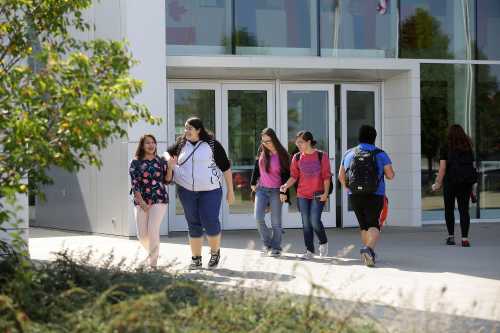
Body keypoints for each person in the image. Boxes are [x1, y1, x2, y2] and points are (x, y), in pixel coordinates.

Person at [166, 117, 234, 269]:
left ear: (198, 130)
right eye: (185, 128)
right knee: (193, 224)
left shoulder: (212, 145)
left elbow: (226, 168)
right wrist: (171, 165)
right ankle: (196, 258)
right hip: (186, 191)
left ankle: (215, 252)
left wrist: (231, 190)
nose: (186, 131)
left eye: (190, 128)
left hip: (210, 191)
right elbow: (166, 155)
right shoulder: (181, 144)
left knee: (210, 221)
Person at [338, 125, 394, 267]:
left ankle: (368, 254)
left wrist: (348, 188)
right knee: (374, 224)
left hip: (355, 194)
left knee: (363, 226)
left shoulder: (349, 153)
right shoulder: (380, 154)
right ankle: (368, 249)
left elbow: (341, 176)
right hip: (375, 194)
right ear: (374, 138)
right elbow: (390, 175)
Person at [280, 131, 331, 259]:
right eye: (297, 142)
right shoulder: (296, 157)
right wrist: (286, 185)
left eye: (300, 142)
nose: (298, 145)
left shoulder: (321, 156)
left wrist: (325, 193)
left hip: (318, 193)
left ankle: (323, 242)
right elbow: (294, 176)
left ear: (308, 142)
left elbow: (326, 176)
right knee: (306, 223)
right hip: (302, 194)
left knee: (314, 221)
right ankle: (309, 251)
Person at [129, 134, 172, 268]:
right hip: (141, 200)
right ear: (142, 145)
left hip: (159, 198)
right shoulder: (135, 162)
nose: (151, 145)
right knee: (142, 235)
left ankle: (153, 265)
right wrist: (141, 202)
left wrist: (170, 166)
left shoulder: (161, 161)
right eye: (148, 143)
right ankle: (152, 253)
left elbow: (167, 180)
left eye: (153, 142)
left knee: (153, 230)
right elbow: (134, 184)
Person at [432, 124, 477, 247]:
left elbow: (442, 168)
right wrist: (472, 186)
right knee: (464, 210)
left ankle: (451, 237)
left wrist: (437, 183)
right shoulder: (468, 146)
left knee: (449, 209)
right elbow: (472, 167)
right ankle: (465, 239)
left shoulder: (446, 146)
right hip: (465, 183)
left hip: (450, 182)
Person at [250, 128, 290, 257]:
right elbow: (257, 166)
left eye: (268, 141)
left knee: (276, 222)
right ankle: (267, 243)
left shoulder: (282, 154)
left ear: (274, 140)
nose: (265, 144)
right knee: (258, 217)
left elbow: (286, 175)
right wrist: (252, 183)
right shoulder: (262, 150)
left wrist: (284, 192)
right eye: (263, 141)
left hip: (276, 190)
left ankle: (276, 247)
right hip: (261, 189)